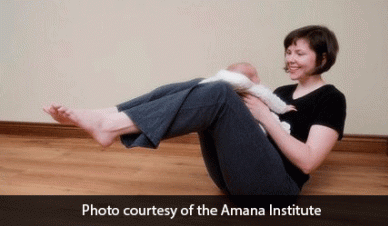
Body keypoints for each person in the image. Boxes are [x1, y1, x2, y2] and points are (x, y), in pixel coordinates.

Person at [43, 25, 346, 195]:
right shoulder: (281, 93)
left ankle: (110, 125)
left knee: (215, 92)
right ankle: (108, 114)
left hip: (277, 191)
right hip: (234, 178)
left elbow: (307, 162)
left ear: (322, 59)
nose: (291, 58)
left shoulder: (331, 99)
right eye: (289, 51)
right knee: (204, 86)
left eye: (300, 53)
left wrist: (264, 115)